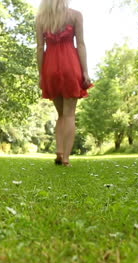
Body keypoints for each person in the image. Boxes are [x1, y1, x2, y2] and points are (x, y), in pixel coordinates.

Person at [36, 0, 93, 167]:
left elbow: (40, 48)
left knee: (60, 114)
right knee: (69, 114)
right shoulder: (75, 15)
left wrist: (41, 75)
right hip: (71, 65)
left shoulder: (41, 19)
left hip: (50, 67)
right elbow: (81, 44)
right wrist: (85, 71)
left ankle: (59, 151)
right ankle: (66, 157)